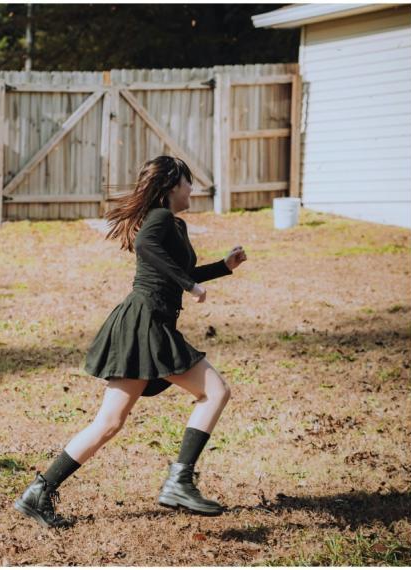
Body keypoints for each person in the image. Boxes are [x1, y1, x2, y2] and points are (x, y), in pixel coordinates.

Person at [14, 155, 248, 528]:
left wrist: (223, 267)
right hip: (147, 322)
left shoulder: (176, 225)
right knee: (215, 391)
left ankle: (38, 492)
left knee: (109, 422)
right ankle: (179, 480)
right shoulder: (158, 220)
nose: (192, 189)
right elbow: (145, 246)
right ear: (173, 186)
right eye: (188, 182)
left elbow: (178, 270)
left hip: (142, 324)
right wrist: (190, 286)